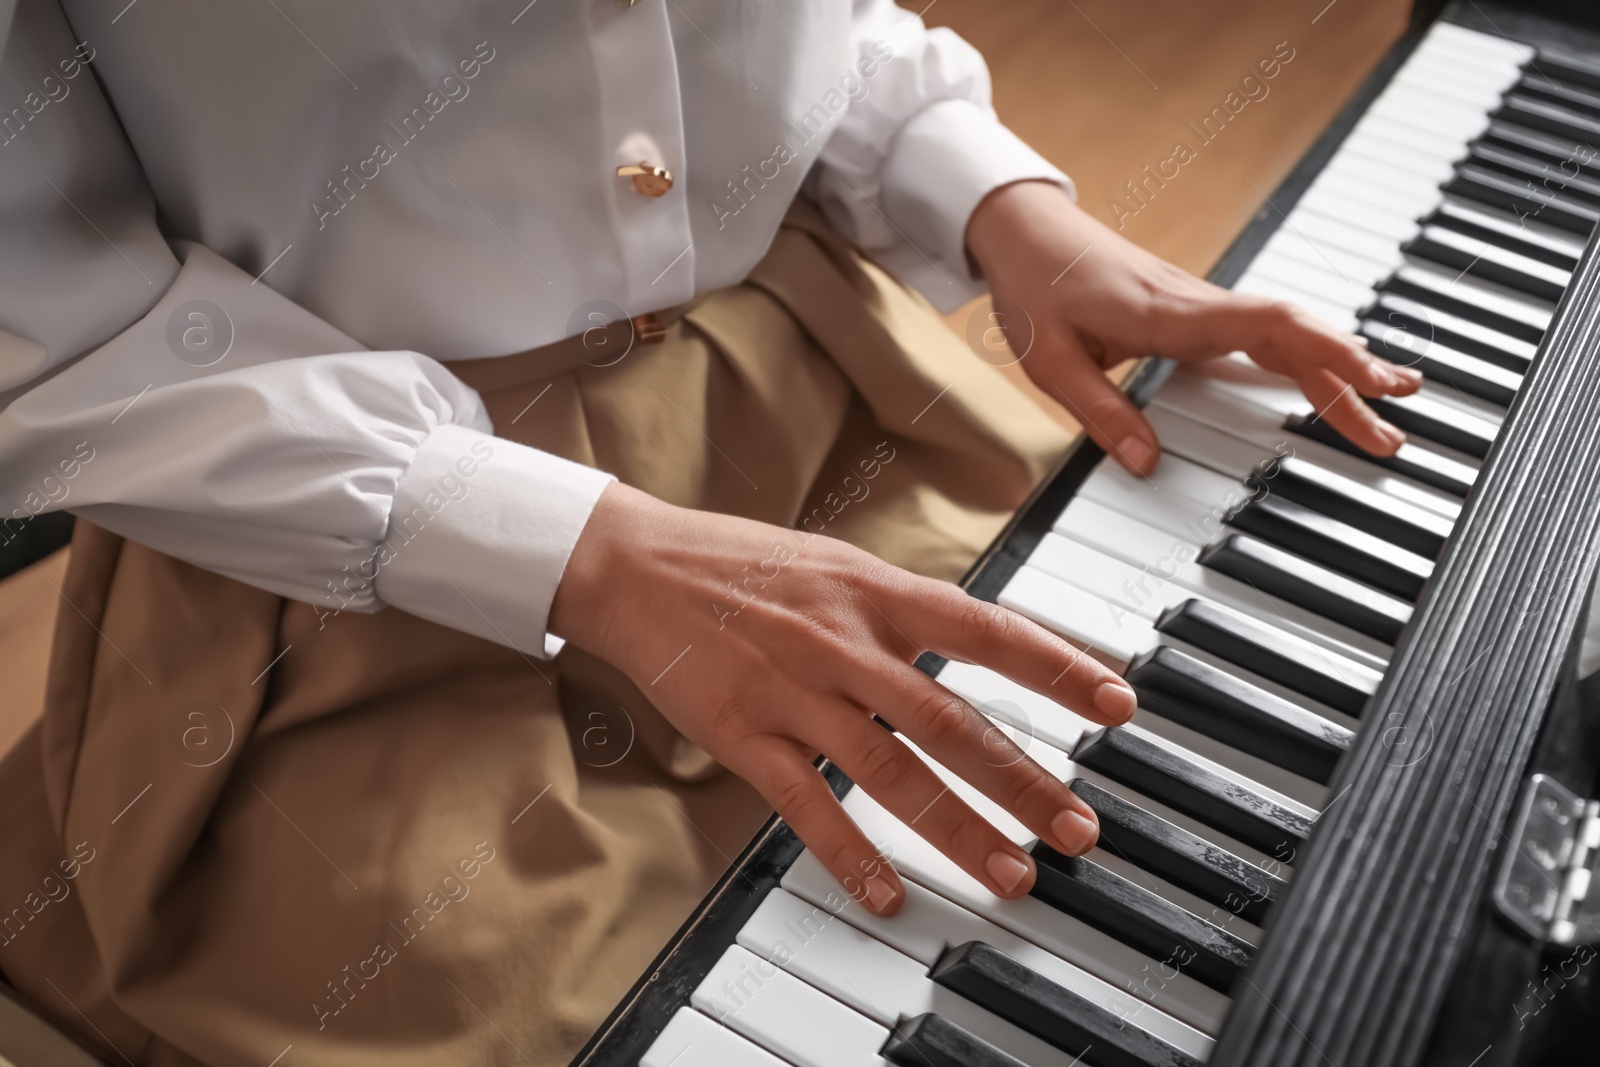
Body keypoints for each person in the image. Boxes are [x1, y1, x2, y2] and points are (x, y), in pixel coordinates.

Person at [0, 1, 1420, 1063]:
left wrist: (990, 195)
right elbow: (46, 318)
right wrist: (578, 551)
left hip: (824, 389)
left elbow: (792, 36)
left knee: (1198, 758)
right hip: (357, 564)